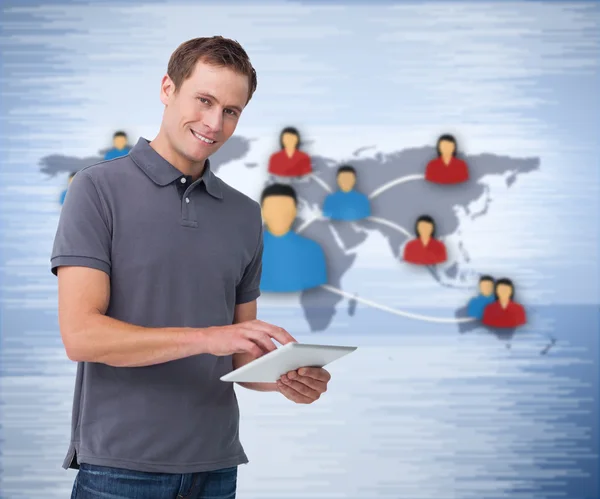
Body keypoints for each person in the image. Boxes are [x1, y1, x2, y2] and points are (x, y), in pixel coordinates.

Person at [51, 37, 332, 499]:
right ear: (167, 88)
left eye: (231, 111)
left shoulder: (244, 214)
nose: (214, 123)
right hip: (120, 469)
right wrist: (206, 337)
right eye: (204, 100)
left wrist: (285, 378)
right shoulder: (96, 190)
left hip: (216, 468)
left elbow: (239, 354)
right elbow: (81, 336)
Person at [261, 183, 328, 292]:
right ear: (263, 211)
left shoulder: (312, 251)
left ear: (295, 211)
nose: (279, 214)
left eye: (285, 209)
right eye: (273, 208)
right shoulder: (246, 252)